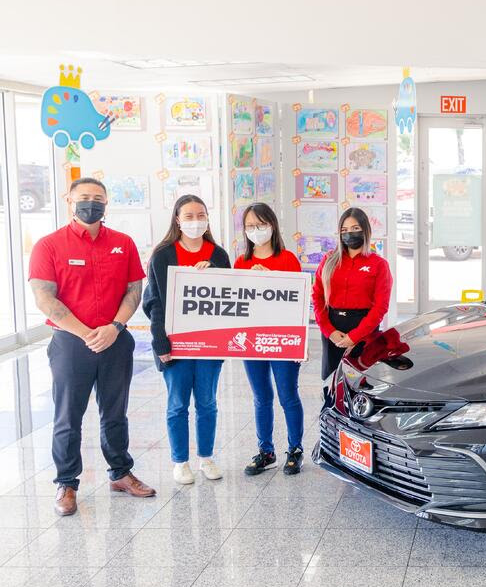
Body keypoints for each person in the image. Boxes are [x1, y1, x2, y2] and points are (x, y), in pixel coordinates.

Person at [28, 177, 156, 516]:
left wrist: (115, 327)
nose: (91, 203)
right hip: (71, 343)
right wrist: (86, 333)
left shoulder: (122, 243)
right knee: (68, 416)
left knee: (115, 413)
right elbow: (44, 298)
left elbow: (134, 290)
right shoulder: (49, 245)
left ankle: (120, 473)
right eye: (84, 197)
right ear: (69, 200)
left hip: (115, 340)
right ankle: (66, 483)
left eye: (98, 197)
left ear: (106, 203)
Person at [143, 195, 231, 485]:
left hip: (209, 345)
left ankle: (206, 457)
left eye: (201, 215)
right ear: (178, 219)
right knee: (177, 404)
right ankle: (180, 462)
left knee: (207, 402)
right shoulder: (163, 255)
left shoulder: (218, 254)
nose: (196, 221)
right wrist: (160, 344)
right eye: (189, 216)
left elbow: (231, 298)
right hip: (175, 345)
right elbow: (155, 302)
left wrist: (214, 275)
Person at [234, 203, 306, 475]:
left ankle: (294, 449)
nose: (256, 230)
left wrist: (273, 279)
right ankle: (266, 450)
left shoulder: (287, 259)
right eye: (250, 226)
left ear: (272, 226)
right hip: (252, 339)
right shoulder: (241, 262)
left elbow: (297, 302)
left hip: (282, 339)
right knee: (261, 396)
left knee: (288, 395)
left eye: (261, 225)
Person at [311, 208, 392, 383]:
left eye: (355, 228)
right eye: (344, 230)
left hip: (364, 329)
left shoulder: (379, 265)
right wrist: (329, 331)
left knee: (360, 383)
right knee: (331, 381)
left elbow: (381, 307)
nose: (350, 234)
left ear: (365, 230)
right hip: (333, 328)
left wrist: (355, 336)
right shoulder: (329, 259)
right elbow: (316, 296)